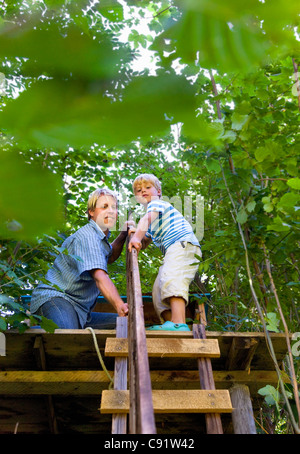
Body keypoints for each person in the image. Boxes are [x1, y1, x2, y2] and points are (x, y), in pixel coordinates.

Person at [30, 188, 133, 329]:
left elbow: (110, 256)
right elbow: (99, 277)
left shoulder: (100, 240)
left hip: (81, 312)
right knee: (68, 337)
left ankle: (51, 327)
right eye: (104, 206)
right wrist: (120, 305)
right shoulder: (88, 237)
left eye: (114, 207)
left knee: (127, 325)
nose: (110, 211)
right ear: (91, 212)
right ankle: (32, 328)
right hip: (57, 298)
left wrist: (122, 236)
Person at [128, 174, 201, 331]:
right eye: (139, 190)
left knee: (173, 277)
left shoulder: (157, 205)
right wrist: (136, 235)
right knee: (159, 288)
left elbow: (146, 221)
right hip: (173, 251)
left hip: (183, 244)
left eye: (148, 187)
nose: (144, 191)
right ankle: (170, 324)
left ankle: (179, 323)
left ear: (159, 191)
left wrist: (136, 236)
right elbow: (145, 241)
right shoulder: (152, 219)